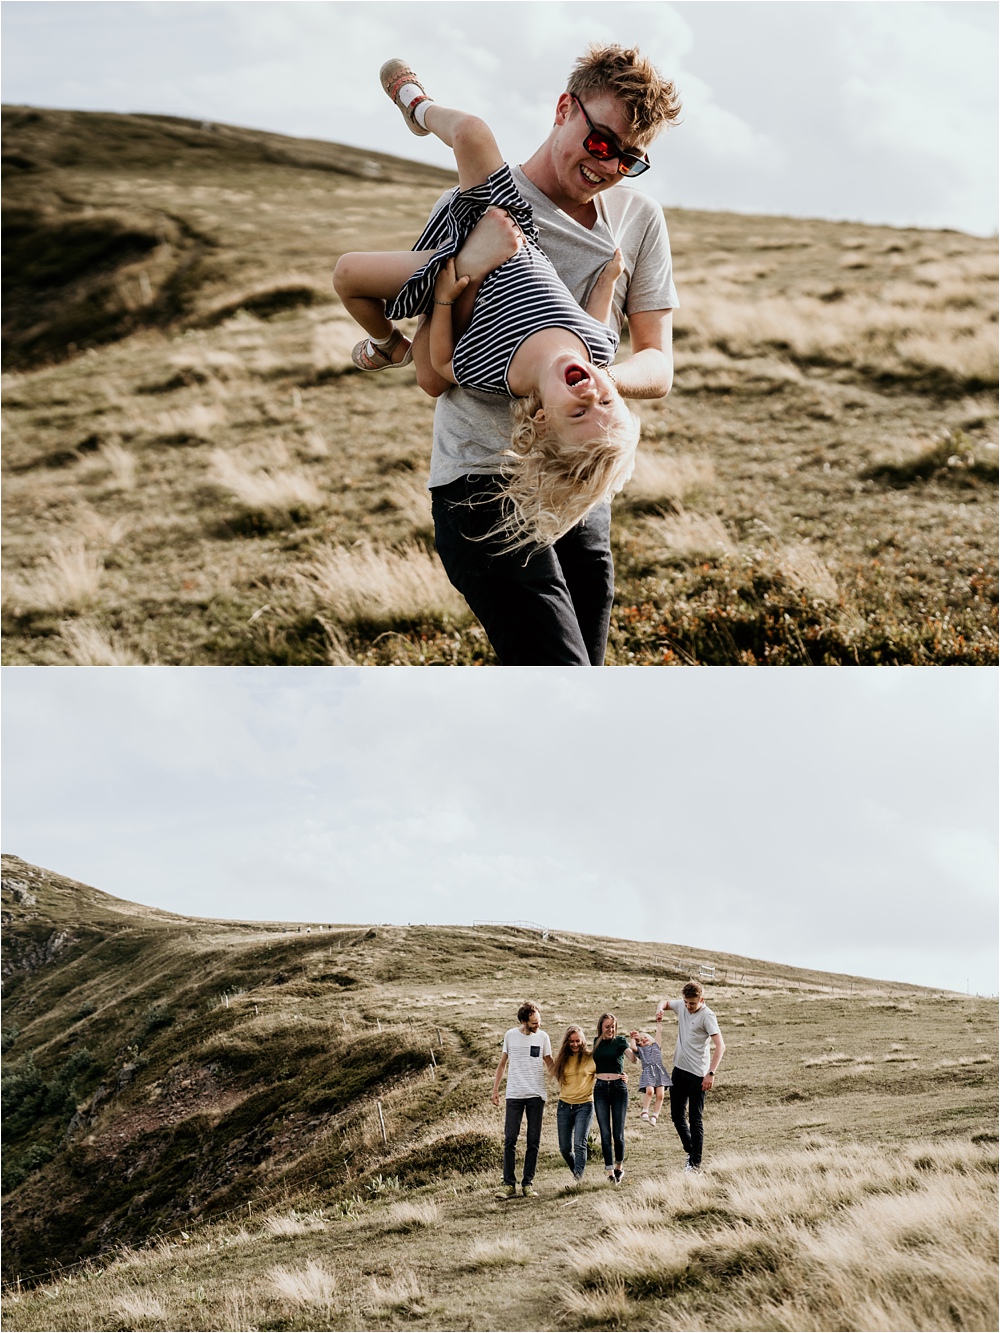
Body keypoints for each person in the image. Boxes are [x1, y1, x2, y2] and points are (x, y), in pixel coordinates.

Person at [407, 44, 681, 665]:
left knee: (579, 675)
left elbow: (659, 364)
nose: (608, 164)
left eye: (630, 159)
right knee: (557, 674)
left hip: (581, 484)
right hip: (482, 483)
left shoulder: (639, 220)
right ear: (565, 108)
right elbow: (432, 364)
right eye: (602, 140)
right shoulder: (474, 204)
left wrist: (593, 382)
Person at [333, 61, 640, 552]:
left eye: (578, 415)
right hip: (513, 224)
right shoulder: (598, 352)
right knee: (473, 132)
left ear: (542, 422)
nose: (591, 396)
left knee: (347, 274)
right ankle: (418, 107)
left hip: (454, 264)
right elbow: (597, 315)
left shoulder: (499, 372)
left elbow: (442, 367)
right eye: (606, 402)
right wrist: (608, 274)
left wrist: (451, 289)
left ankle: (388, 343)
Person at [656, 981, 725, 1173]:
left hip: (698, 1075)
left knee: (695, 1119)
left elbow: (720, 1046)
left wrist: (711, 1073)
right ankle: (691, 1152)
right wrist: (659, 1009)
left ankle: (695, 1164)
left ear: (701, 1000)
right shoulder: (682, 1005)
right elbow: (665, 1002)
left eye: (692, 1003)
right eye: (686, 1002)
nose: (688, 1006)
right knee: (676, 1115)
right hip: (679, 1071)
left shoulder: (707, 1016)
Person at [490, 1001, 554, 1199]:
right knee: (510, 1139)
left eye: (539, 1022)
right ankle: (509, 1184)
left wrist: (566, 1083)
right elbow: (502, 1064)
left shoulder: (543, 1037)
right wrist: (495, 1090)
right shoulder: (510, 1035)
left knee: (533, 1141)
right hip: (514, 1094)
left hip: (536, 1095)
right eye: (534, 1023)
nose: (538, 1026)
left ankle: (528, 1183)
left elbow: (550, 1064)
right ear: (523, 1021)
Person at [591, 1012, 637, 1184]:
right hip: (600, 1089)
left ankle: (619, 1168)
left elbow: (633, 1059)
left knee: (618, 1133)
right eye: (607, 1027)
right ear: (601, 1027)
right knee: (604, 1133)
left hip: (618, 1088)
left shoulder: (620, 1041)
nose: (610, 1030)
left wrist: (634, 1042)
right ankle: (610, 1172)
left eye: (613, 1027)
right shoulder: (596, 1042)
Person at [552, 1024, 597, 1184]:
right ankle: (576, 1172)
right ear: (567, 1042)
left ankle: (578, 1179)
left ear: (583, 1040)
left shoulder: (591, 1057)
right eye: (571, 1041)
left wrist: (621, 1076)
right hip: (564, 1106)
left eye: (578, 1041)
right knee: (564, 1149)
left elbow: (607, 1072)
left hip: (584, 1106)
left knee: (580, 1144)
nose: (575, 1044)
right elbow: (555, 1074)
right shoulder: (562, 1059)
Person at [630, 1019, 670, 1124]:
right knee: (650, 1091)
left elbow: (658, 1034)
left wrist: (659, 1023)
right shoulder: (641, 1051)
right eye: (641, 1041)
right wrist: (634, 1038)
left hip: (660, 1072)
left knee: (661, 1095)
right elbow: (633, 1047)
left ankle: (655, 1116)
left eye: (645, 1038)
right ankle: (645, 1112)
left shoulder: (656, 1046)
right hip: (648, 1071)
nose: (643, 1040)